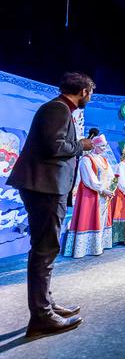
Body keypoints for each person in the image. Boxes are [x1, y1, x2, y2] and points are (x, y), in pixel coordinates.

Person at [7, 71, 94, 336]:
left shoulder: (58, 109)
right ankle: (42, 315)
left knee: (45, 249)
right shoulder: (57, 109)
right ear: (84, 92)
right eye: (90, 93)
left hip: (45, 187)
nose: (89, 98)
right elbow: (55, 147)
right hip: (44, 188)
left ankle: (46, 304)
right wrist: (82, 145)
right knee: (45, 250)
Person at [62, 135, 115, 258]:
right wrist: (102, 189)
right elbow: (90, 179)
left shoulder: (104, 160)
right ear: (94, 146)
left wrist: (111, 188)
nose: (104, 148)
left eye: (105, 146)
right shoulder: (86, 160)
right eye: (101, 146)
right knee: (89, 217)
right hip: (91, 194)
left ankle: (97, 245)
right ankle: (83, 249)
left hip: (103, 195)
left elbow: (111, 176)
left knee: (101, 219)